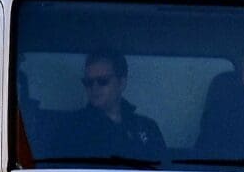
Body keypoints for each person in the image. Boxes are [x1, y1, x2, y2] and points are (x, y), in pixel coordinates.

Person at [32, 50, 167, 162]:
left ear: (121, 83)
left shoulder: (147, 127)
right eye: (88, 82)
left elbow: (163, 171)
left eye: (103, 81)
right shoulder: (71, 129)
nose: (94, 87)